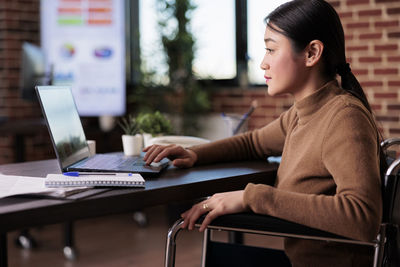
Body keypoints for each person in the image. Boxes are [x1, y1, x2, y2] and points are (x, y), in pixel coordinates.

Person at [143, 0, 385, 265]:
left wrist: (252, 197)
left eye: (271, 49)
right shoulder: (303, 112)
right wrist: (194, 154)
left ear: (312, 53)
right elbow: (254, 142)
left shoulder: (343, 117)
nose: (262, 63)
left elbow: (363, 217)